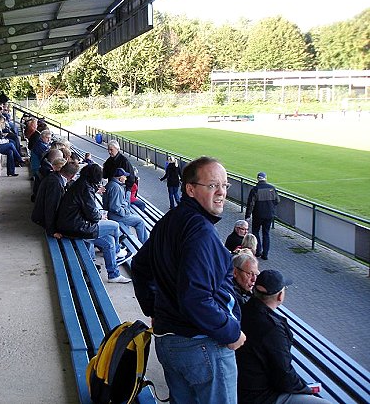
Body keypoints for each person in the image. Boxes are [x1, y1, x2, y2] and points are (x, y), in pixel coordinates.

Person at [132, 156, 246, 403]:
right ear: (191, 189)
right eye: (213, 185)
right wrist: (231, 332)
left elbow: (140, 267)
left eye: (225, 186)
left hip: (169, 343)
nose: (221, 193)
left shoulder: (168, 221)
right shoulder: (202, 232)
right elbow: (196, 298)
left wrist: (155, 309)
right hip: (202, 347)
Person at [237, 270, 331, 404]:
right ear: (280, 296)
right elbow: (284, 376)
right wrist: (306, 390)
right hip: (260, 396)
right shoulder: (272, 329)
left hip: (242, 386)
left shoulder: (244, 309)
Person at [56, 163, 130, 283]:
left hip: (72, 224)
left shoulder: (81, 183)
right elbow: (92, 215)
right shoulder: (85, 189)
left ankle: (113, 275)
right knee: (114, 226)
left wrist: (96, 191)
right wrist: (101, 216)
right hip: (76, 227)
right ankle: (117, 251)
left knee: (109, 241)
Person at [31, 160, 80, 236]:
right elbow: (50, 207)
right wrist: (52, 231)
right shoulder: (55, 184)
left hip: (42, 216)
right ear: (73, 176)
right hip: (42, 219)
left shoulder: (55, 176)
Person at [103, 168, 147, 243]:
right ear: (120, 178)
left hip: (112, 214)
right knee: (140, 221)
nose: (126, 178)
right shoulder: (116, 188)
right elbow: (115, 207)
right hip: (117, 216)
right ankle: (145, 244)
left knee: (135, 219)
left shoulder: (111, 184)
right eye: (124, 176)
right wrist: (125, 212)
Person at [246, 172, 280, 260]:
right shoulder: (272, 188)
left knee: (256, 232)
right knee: (266, 233)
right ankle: (265, 254)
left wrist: (247, 216)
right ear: (265, 178)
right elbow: (277, 200)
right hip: (269, 215)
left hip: (258, 215)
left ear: (257, 179)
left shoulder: (255, 189)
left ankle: (258, 251)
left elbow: (250, 204)